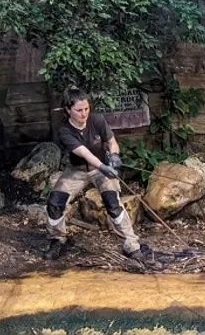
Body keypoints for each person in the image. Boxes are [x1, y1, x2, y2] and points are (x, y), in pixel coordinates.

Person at [43, 86, 144, 262]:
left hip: (101, 169)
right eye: (79, 110)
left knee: (113, 203)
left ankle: (131, 245)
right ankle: (57, 239)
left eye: (86, 109)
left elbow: (112, 141)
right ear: (68, 110)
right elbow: (84, 153)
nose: (84, 113)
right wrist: (105, 168)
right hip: (78, 170)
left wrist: (114, 156)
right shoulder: (64, 130)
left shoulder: (97, 120)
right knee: (55, 202)